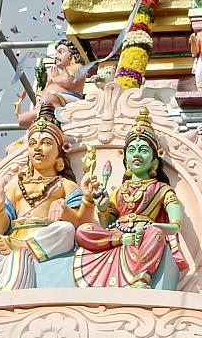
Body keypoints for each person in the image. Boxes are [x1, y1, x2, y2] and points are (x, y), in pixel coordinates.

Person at [0, 104, 88, 291]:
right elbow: (0, 228)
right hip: (11, 237)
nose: (38, 148)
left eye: (46, 143)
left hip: (44, 238)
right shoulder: (15, 186)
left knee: (65, 229)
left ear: (59, 157)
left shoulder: (66, 185)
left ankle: (21, 248)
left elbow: (81, 223)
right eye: (33, 143)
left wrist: (65, 211)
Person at [74, 108, 190, 288]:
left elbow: (176, 225)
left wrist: (154, 226)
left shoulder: (162, 189)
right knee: (83, 230)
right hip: (118, 237)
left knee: (156, 234)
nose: (136, 154)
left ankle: (141, 278)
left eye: (143, 150)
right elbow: (108, 225)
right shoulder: (119, 190)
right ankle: (123, 243)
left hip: (144, 237)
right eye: (132, 150)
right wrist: (103, 208)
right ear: (126, 161)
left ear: (154, 161)